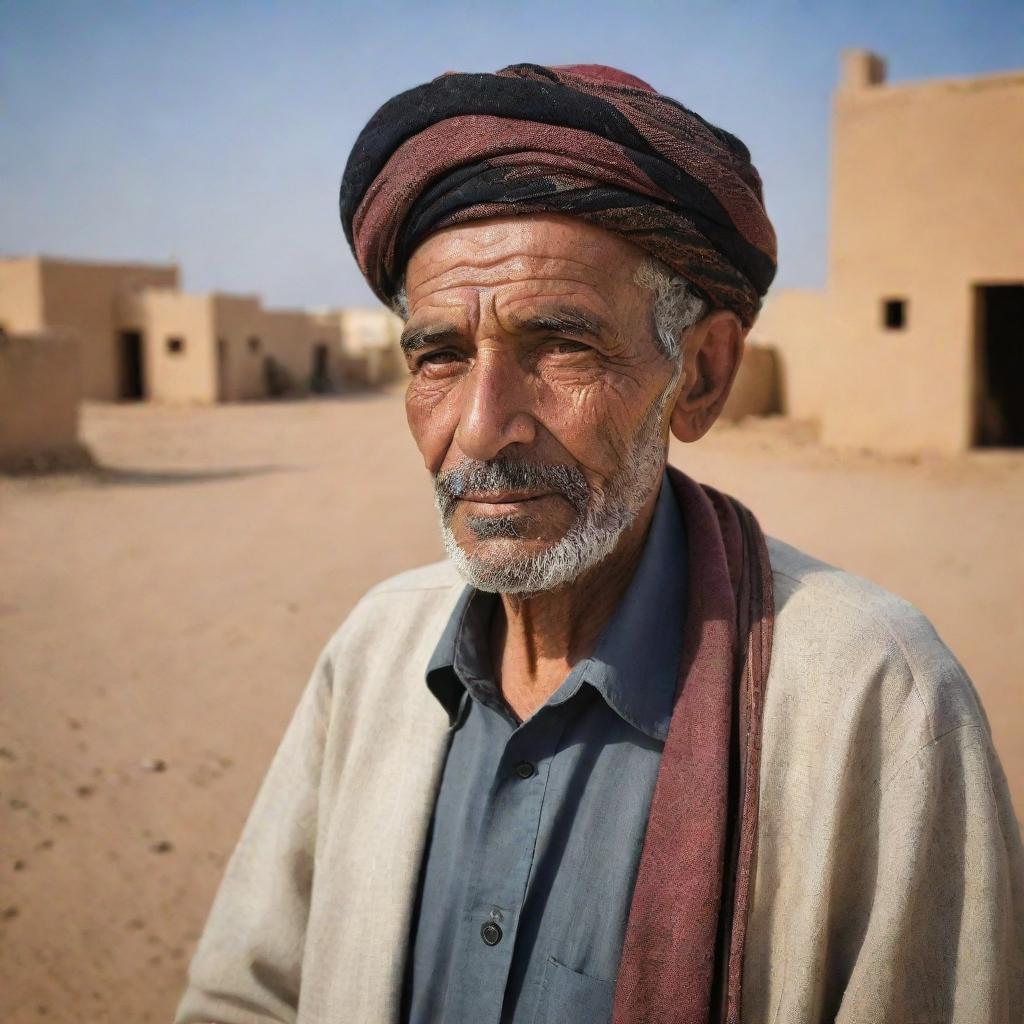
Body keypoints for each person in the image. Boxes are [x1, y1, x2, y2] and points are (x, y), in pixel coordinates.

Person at [176, 63, 1024, 1024]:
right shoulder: (373, 654)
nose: (484, 426)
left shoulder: (877, 699)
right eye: (440, 357)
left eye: (562, 348)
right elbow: (246, 995)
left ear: (699, 378)